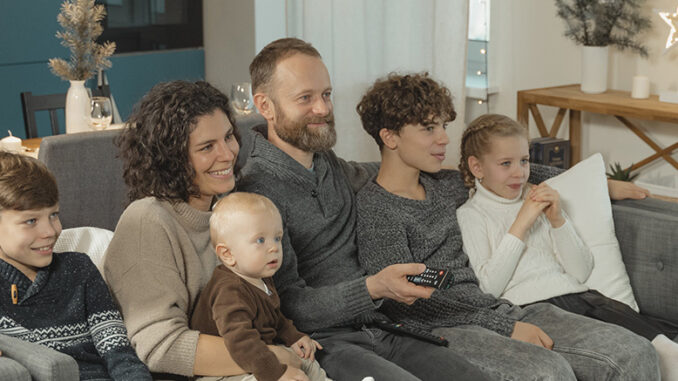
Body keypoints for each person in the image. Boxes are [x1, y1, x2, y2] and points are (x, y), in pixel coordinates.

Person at [354, 72, 661, 380]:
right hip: (447, 326)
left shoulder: (445, 185)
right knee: (548, 372)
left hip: (501, 310)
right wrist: (505, 326)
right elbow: (406, 304)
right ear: (390, 137)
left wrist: (601, 184)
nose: (444, 138)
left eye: (444, 126)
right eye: (429, 128)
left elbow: (517, 169)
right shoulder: (376, 208)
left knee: (637, 352)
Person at [238, 38, 491, 381]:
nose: (323, 109)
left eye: (326, 95)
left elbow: (380, 170)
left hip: (384, 326)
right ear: (265, 106)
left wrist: (497, 170)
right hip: (326, 342)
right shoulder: (257, 193)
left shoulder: (325, 162)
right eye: (305, 98)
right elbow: (288, 304)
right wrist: (373, 288)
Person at [456, 113, 678, 380]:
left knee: (665, 344)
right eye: (506, 163)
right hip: (534, 306)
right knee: (641, 352)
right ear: (477, 167)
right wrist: (522, 222)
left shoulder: (536, 196)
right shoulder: (472, 215)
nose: (519, 172)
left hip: (584, 297)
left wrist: (558, 220)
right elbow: (489, 288)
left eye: (524, 161)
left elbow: (581, 272)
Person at [103, 81, 301, 378]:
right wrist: (274, 358)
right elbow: (160, 346)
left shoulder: (229, 208)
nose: (227, 154)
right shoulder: (147, 221)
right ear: (172, 158)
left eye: (228, 137)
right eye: (207, 147)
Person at [0, 151, 152, 380]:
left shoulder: (79, 269)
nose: (50, 231)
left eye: (53, 215)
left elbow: (117, 350)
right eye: (31, 221)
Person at [191, 192, 331, 381]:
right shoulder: (229, 290)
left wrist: (293, 336)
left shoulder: (259, 277)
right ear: (227, 254)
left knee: (308, 363)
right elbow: (241, 341)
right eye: (260, 240)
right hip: (226, 370)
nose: (274, 248)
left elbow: (273, 316)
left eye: (277, 238)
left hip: (258, 355)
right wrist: (275, 372)